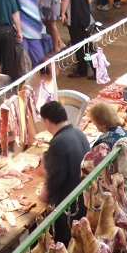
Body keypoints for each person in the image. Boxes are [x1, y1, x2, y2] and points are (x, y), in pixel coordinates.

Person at [39, 101, 90, 244]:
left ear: (47, 121)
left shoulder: (58, 143)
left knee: (67, 246)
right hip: (84, 199)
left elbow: (56, 180)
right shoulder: (78, 133)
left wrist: (44, 192)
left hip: (69, 208)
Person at [1, 0, 52, 67]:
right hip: (35, 22)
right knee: (39, 57)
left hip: (22, 25)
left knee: (23, 58)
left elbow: (14, 11)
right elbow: (37, 1)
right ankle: (42, 77)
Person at [60, 0, 92, 79]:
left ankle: (82, 68)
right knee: (87, 44)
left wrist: (62, 13)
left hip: (74, 17)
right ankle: (93, 66)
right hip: (85, 16)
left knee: (78, 44)